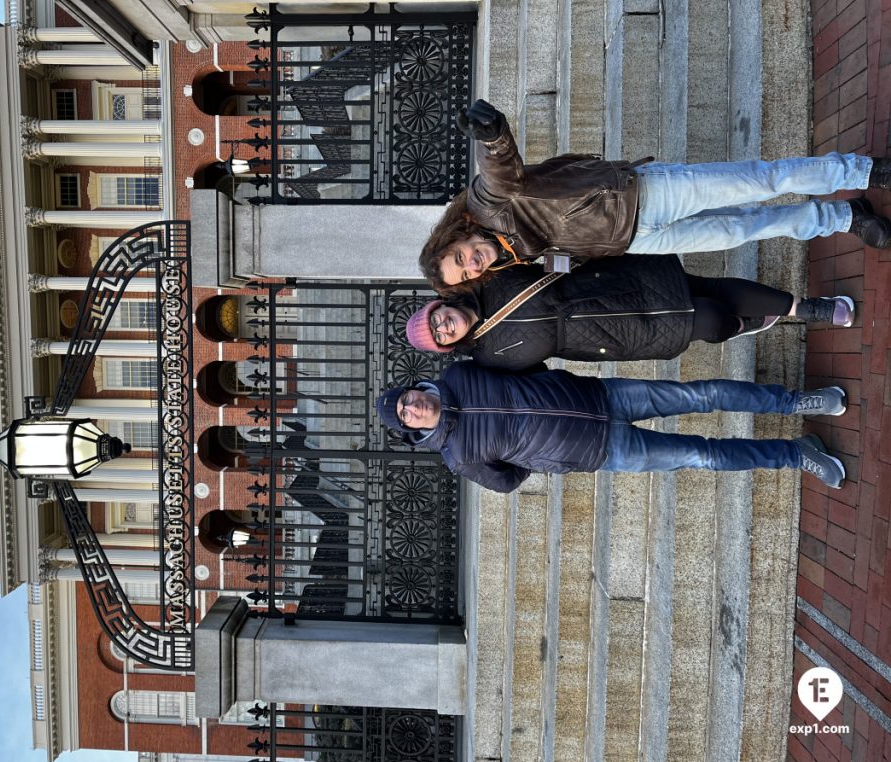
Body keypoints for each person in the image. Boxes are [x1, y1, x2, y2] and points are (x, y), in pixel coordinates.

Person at [420, 99, 891, 293]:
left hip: (637, 195)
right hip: (639, 241)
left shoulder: (485, 206)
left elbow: (502, 174)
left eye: (460, 258)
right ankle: (842, 217)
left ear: (457, 236)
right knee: (747, 227)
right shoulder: (508, 262)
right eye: (465, 275)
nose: (471, 265)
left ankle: (865, 171)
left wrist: (494, 136)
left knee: (759, 181)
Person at [375, 362, 848, 492]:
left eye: (406, 399)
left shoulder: (458, 374)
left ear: (412, 389)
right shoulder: (458, 458)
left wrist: (551, 385)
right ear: (410, 429)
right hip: (601, 450)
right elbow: (508, 480)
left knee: (699, 394)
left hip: (600, 395)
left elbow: (521, 362)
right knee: (701, 454)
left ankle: (794, 401)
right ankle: (794, 453)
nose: (411, 407)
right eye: (405, 415)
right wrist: (541, 452)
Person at [404, 258, 855, 371]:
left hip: (613, 284)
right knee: (711, 319)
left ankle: (806, 307)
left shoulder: (489, 281)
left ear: (442, 303)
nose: (443, 326)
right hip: (616, 335)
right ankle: (738, 325)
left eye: (437, 317)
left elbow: (542, 257)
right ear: (449, 345)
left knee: (707, 290)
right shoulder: (490, 359)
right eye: (439, 335)